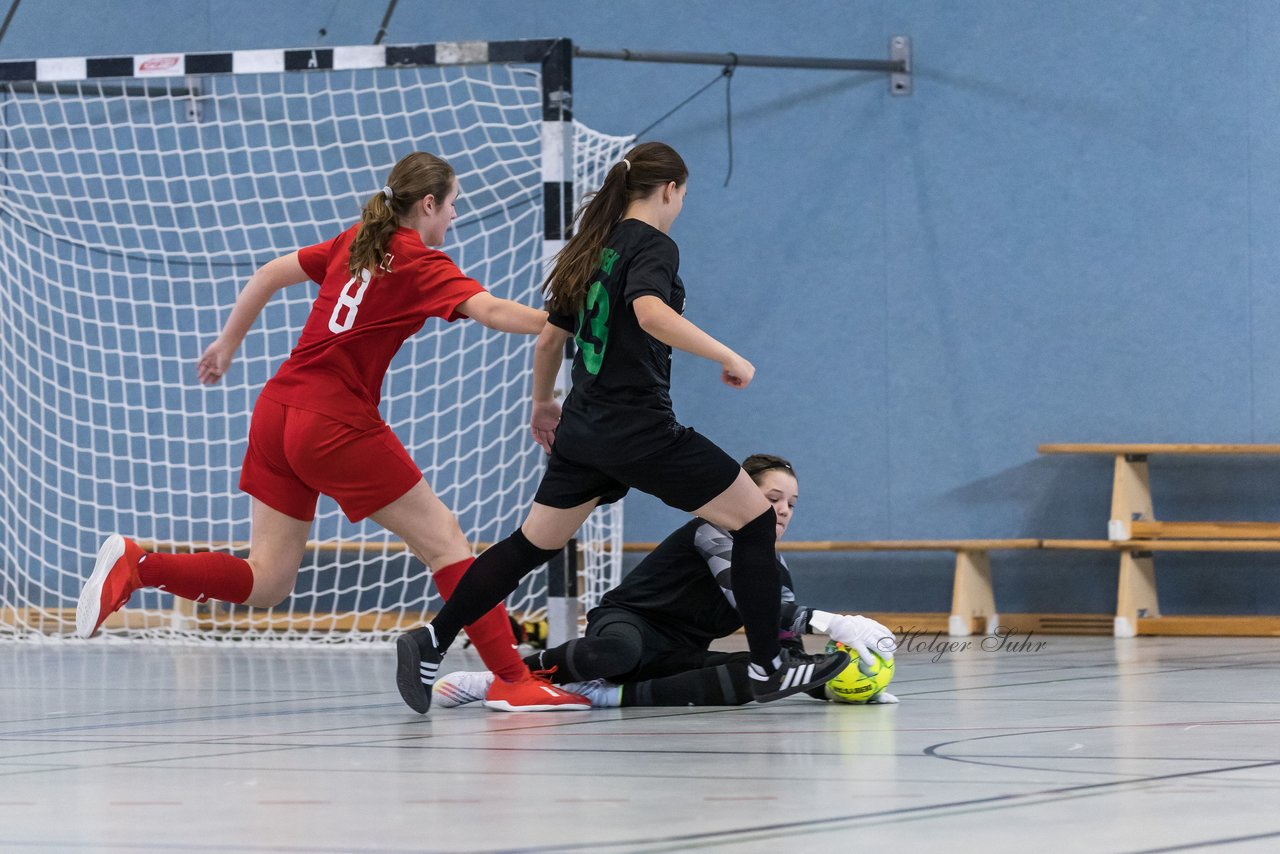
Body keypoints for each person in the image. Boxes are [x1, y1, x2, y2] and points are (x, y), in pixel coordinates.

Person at [75, 151, 589, 712]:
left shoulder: (355, 241)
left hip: (275, 412)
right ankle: (513, 679)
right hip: (333, 422)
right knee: (445, 539)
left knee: (268, 580)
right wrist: (563, 322)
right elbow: (491, 311)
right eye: (452, 207)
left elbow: (268, 273)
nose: (453, 220)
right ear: (427, 204)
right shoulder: (418, 260)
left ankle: (139, 565)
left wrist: (228, 343)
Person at [394, 141, 849, 714]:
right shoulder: (653, 244)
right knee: (755, 519)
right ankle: (768, 665)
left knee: (530, 545)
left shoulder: (590, 247)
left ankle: (432, 640)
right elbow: (649, 312)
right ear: (671, 190)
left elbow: (549, 339)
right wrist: (729, 355)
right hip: (639, 427)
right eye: (684, 194)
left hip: (584, 430)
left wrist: (542, 404)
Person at [432, 454, 900, 708]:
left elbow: (777, 643)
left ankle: (604, 695)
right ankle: (494, 679)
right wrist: (834, 622)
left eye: (791, 504)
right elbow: (750, 602)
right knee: (618, 652)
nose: (782, 509)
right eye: (772, 497)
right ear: (743, 495)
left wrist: (845, 682)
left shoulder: (776, 570)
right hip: (628, 625)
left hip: (678, 649)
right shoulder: (712, 531)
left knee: (753, 677)